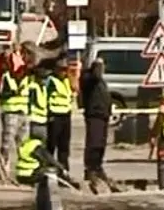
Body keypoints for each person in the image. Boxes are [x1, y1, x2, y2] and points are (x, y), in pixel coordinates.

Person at [80, 58, 119, 193]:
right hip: (94, 114)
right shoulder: (89, 78)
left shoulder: (99, 80)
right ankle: (91, 170)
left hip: (103, 115)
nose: (102, 69)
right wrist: (98, 63)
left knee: (101, 144)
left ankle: (98, 168)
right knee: (93, 143)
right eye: (100, 67)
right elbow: (95, 76)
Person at [0, 49, 29, 181]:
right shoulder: (7, 77)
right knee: (6, 145)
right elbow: (1, 95)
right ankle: (1, 173)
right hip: (10, 113)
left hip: (24, 114)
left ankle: (23, 173)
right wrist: (12, 93)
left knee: (23, 146)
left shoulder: (26, 78)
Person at [44, 57, 75, 172]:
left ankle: (64, 172)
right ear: (56, 70)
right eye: (61, 70)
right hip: (54, 115)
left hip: (66, 116)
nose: (64, 72)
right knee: (51, 145)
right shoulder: (51, 80)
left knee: (64, 148)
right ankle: (48, 171)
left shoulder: (67, 80)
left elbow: (72, 93)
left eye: (65, 69)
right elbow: (44, 97)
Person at [24, 60, 51, 141]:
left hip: (43, 122)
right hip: (34, 122)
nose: (45, 80)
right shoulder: (33, 87)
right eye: (43, 78)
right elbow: (29, 103)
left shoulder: (44, 88)